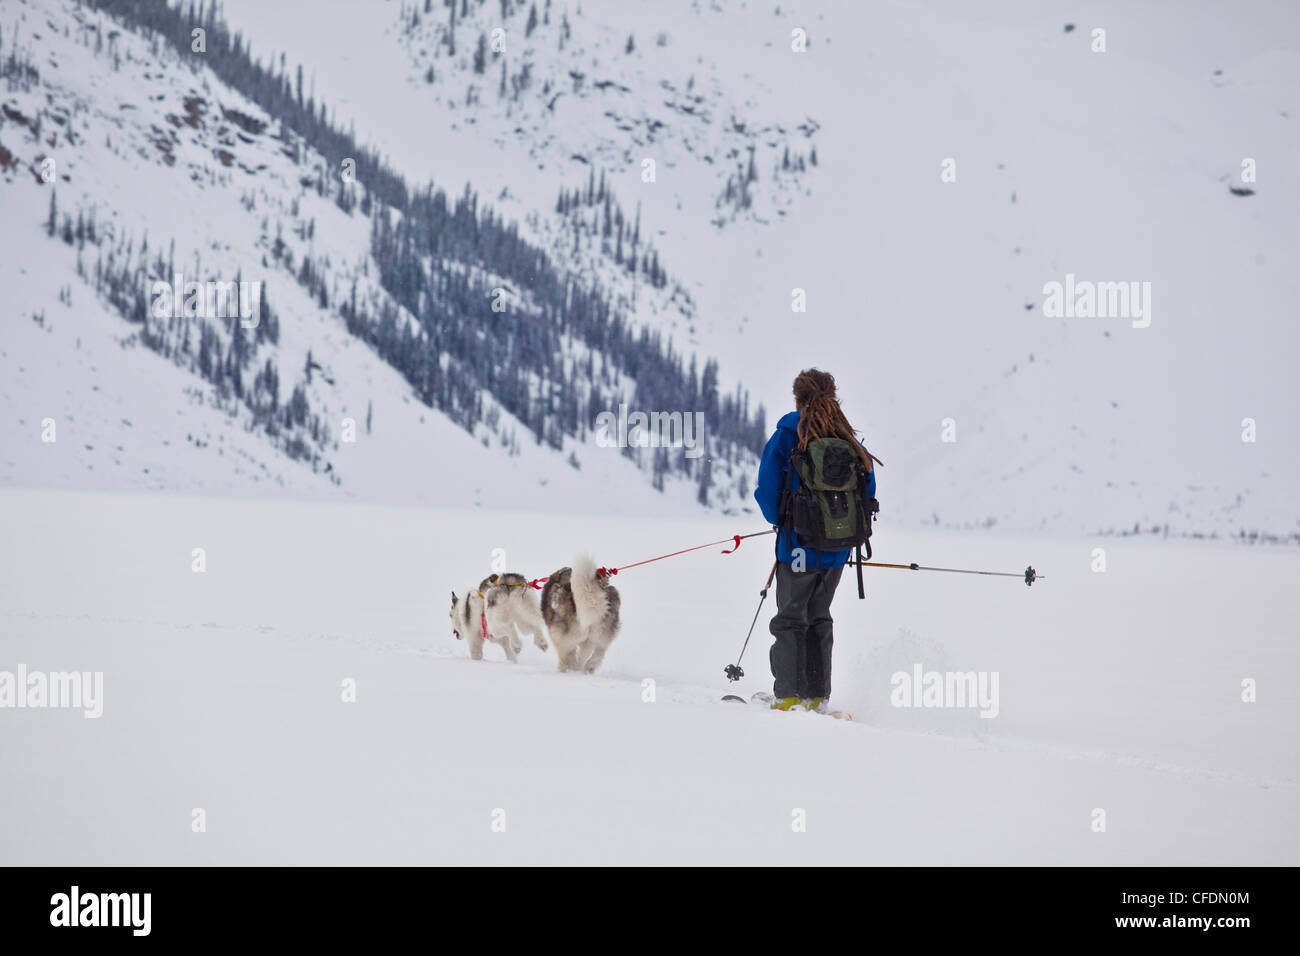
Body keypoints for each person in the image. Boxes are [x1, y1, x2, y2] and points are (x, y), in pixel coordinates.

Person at [753, 369, 880, 712]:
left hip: (797, 549)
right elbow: (868, 491)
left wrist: (782, 519)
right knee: (819, 616)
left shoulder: (787, 436)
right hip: (838, 551)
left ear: (797, 399)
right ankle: (817, 698)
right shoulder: (848, 439)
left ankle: (790, 696)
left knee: (790, 619)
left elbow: (767, 493)